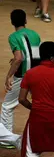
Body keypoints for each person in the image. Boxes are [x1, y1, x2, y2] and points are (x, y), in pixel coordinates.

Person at [3, 10, 40, 138]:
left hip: (23, 76)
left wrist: (8, 76)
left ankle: (7, 138)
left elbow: (19, 58)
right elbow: (34, 55)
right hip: (37, 74)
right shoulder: (35, 34)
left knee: (7, 106)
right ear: (25, 21)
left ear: (12, 22)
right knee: (45, 103)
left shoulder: (13, 37)